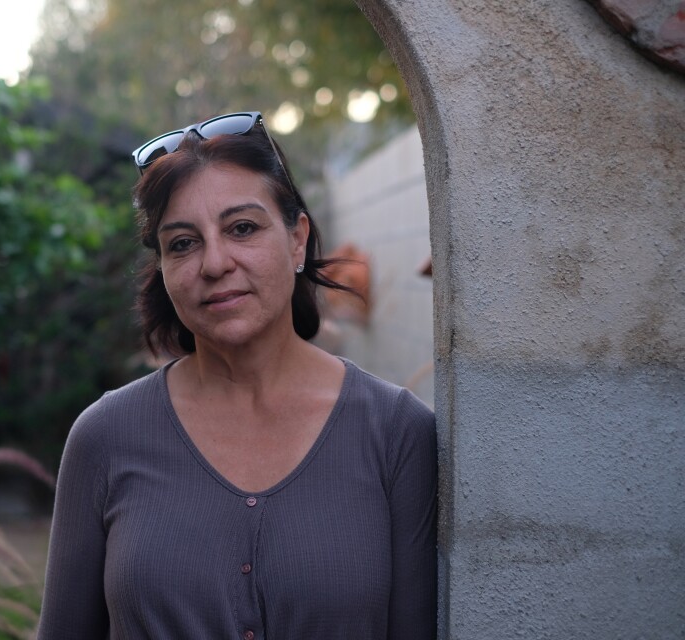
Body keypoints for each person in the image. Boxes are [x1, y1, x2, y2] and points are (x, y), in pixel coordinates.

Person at [37, 112, 437, 639]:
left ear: (297, 240)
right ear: (163, 268)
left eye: (242, 228)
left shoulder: (397, 433)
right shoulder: (106, 436)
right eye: (183, 243)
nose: (214, 263)